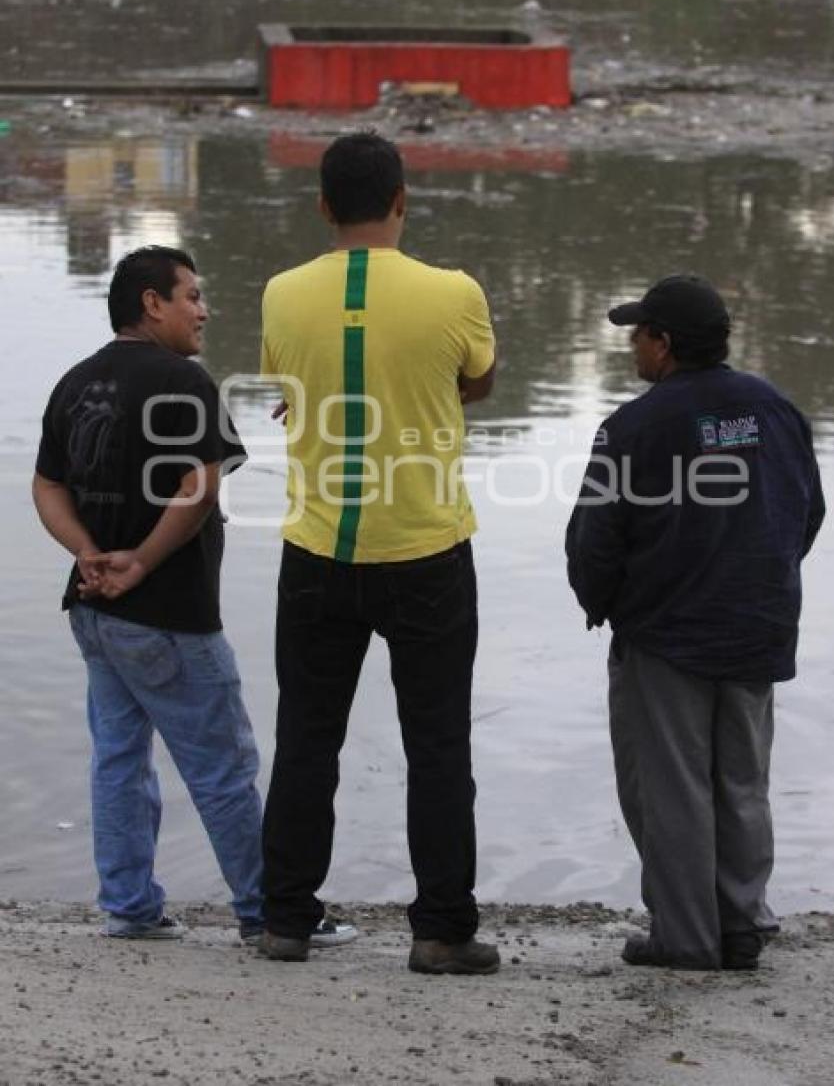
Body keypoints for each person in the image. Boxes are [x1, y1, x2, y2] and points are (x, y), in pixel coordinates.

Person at [32, 244, 354, 948]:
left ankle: (129, 906)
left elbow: (47, 486)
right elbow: (200, 486)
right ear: (152, 303)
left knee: (118, 755)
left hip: (92, 608)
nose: (205, 310)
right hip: (168, 613)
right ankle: (266, 909)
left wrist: (87, 554)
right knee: (223, 764)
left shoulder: (76, 381)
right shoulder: (183, 380)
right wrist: (141, 561)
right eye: (192, 296)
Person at [259, 131, 500, 974]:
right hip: (427, 550)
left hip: (316, 552)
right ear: (402, 200)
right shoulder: (456, 291)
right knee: (437, 745)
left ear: (323, 205)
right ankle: (441, 930)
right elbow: (477, 380)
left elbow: (295, 391)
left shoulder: (280, 294)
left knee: (304, 739)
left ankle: (284, 917)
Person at [565, 274, 824, 971]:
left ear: (665, 344)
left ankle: (685, 936)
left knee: (670, 786)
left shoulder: (633, 425)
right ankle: (740, 924)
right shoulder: (776, 409)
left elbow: (595, 538)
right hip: (757, 627)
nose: (633, 348)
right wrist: (762, 577)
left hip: (666, 637)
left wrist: (602, 604)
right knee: (742, 780)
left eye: (639, 335)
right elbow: (809, 512)